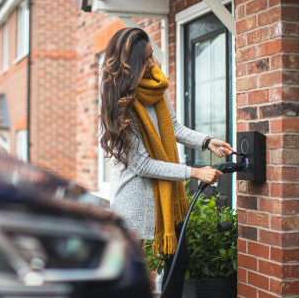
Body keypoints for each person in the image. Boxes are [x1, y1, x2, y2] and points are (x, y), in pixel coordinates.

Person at [99, 27, 233, 297]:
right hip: (136, 205)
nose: (153, 64)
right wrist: (194, 171)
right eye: (146, 60)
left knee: (179, 260)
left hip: (167, 200)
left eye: (152, 56)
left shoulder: (156, 86)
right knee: (139, 281)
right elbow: (144, 165)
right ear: (130, 65)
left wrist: (207, 141)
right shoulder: (120, 105)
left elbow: (174, 128)